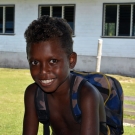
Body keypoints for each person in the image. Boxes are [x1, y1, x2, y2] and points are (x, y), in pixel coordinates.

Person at [22, 15, 107, 135]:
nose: (43, 71)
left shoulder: (86, 95)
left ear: (71, 60)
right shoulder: (33, 94)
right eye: (35, 62)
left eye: (53, 61)